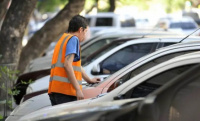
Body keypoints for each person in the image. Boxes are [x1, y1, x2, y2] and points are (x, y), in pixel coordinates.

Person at [48, 15, 100, 106]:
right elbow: (67, 65)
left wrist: (89, 80)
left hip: (56, 91)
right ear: (81, 30)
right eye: (86, 31)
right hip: (65, 93)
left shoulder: (63, 38)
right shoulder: (73, 39)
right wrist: (78, 89)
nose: (85, 35)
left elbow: (76, 66)